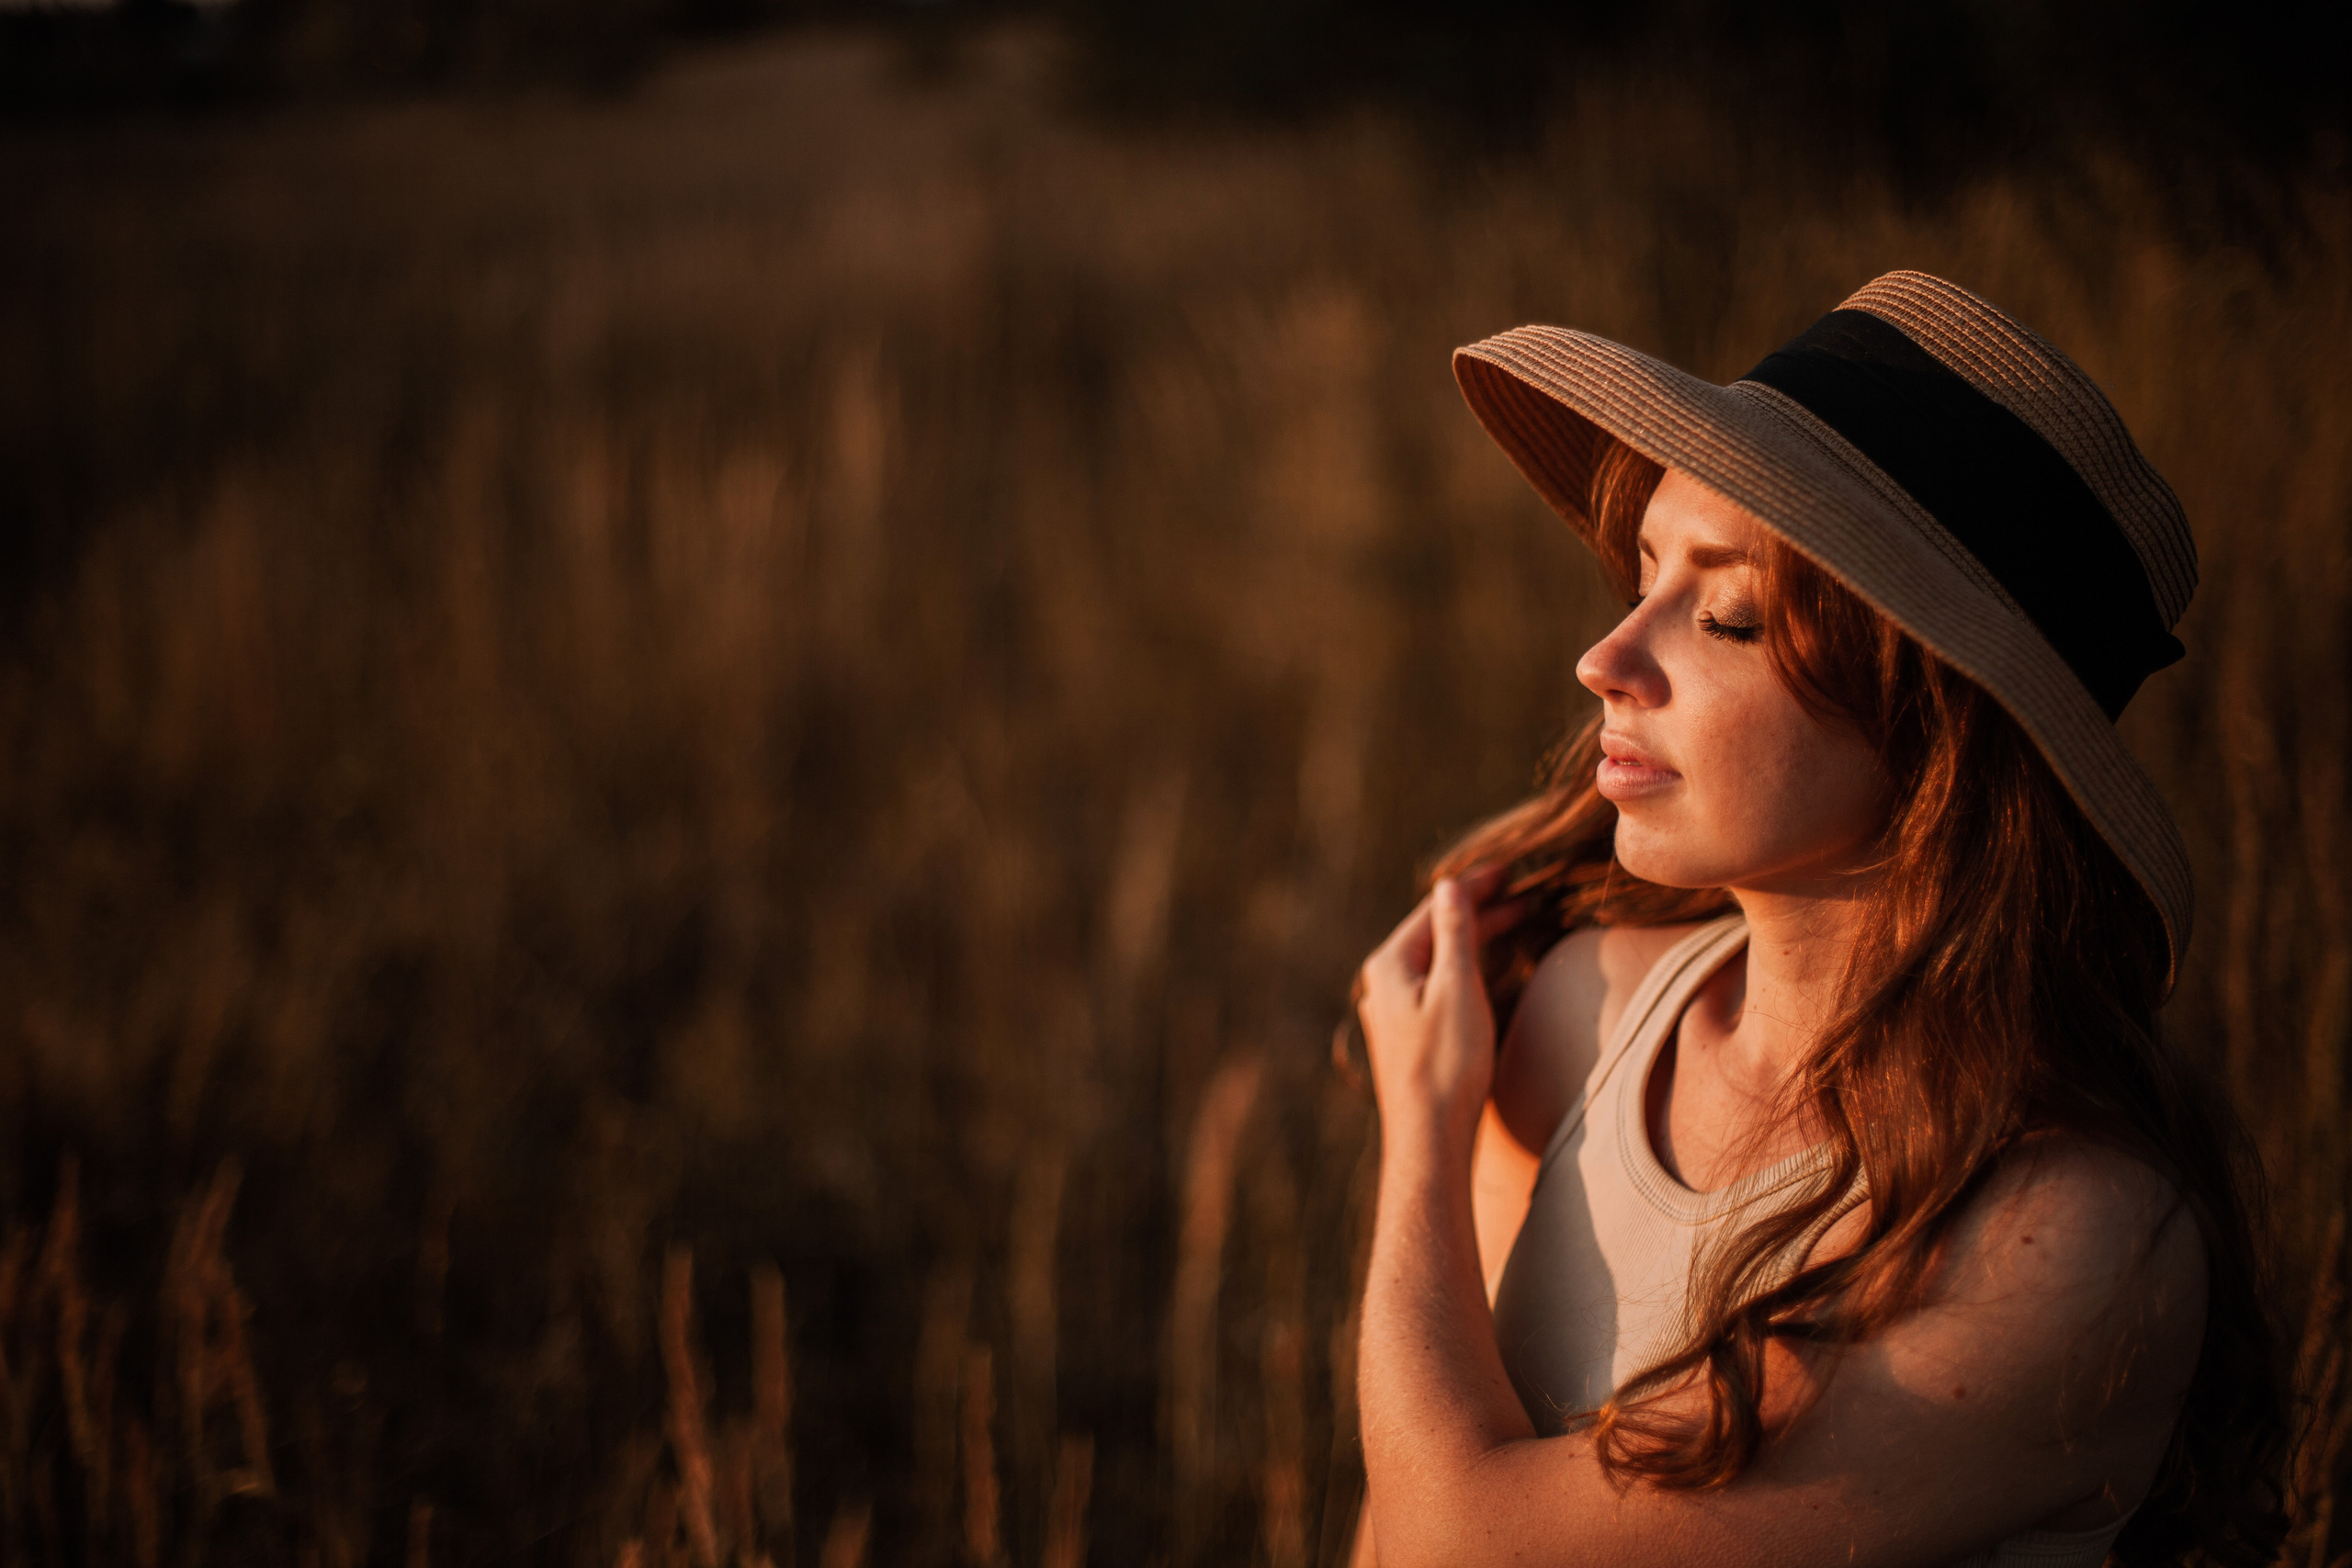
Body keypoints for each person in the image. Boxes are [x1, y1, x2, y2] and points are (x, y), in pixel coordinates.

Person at [1347, 273, 2290, 1568]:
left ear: (1935, 722)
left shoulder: (2066, 1240)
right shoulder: (1586, 1015)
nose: (1606, 659)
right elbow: (1393, 1520)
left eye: (1727, 616)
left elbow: (1457, 1536)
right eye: (1643, 575)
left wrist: (1421, 1125)